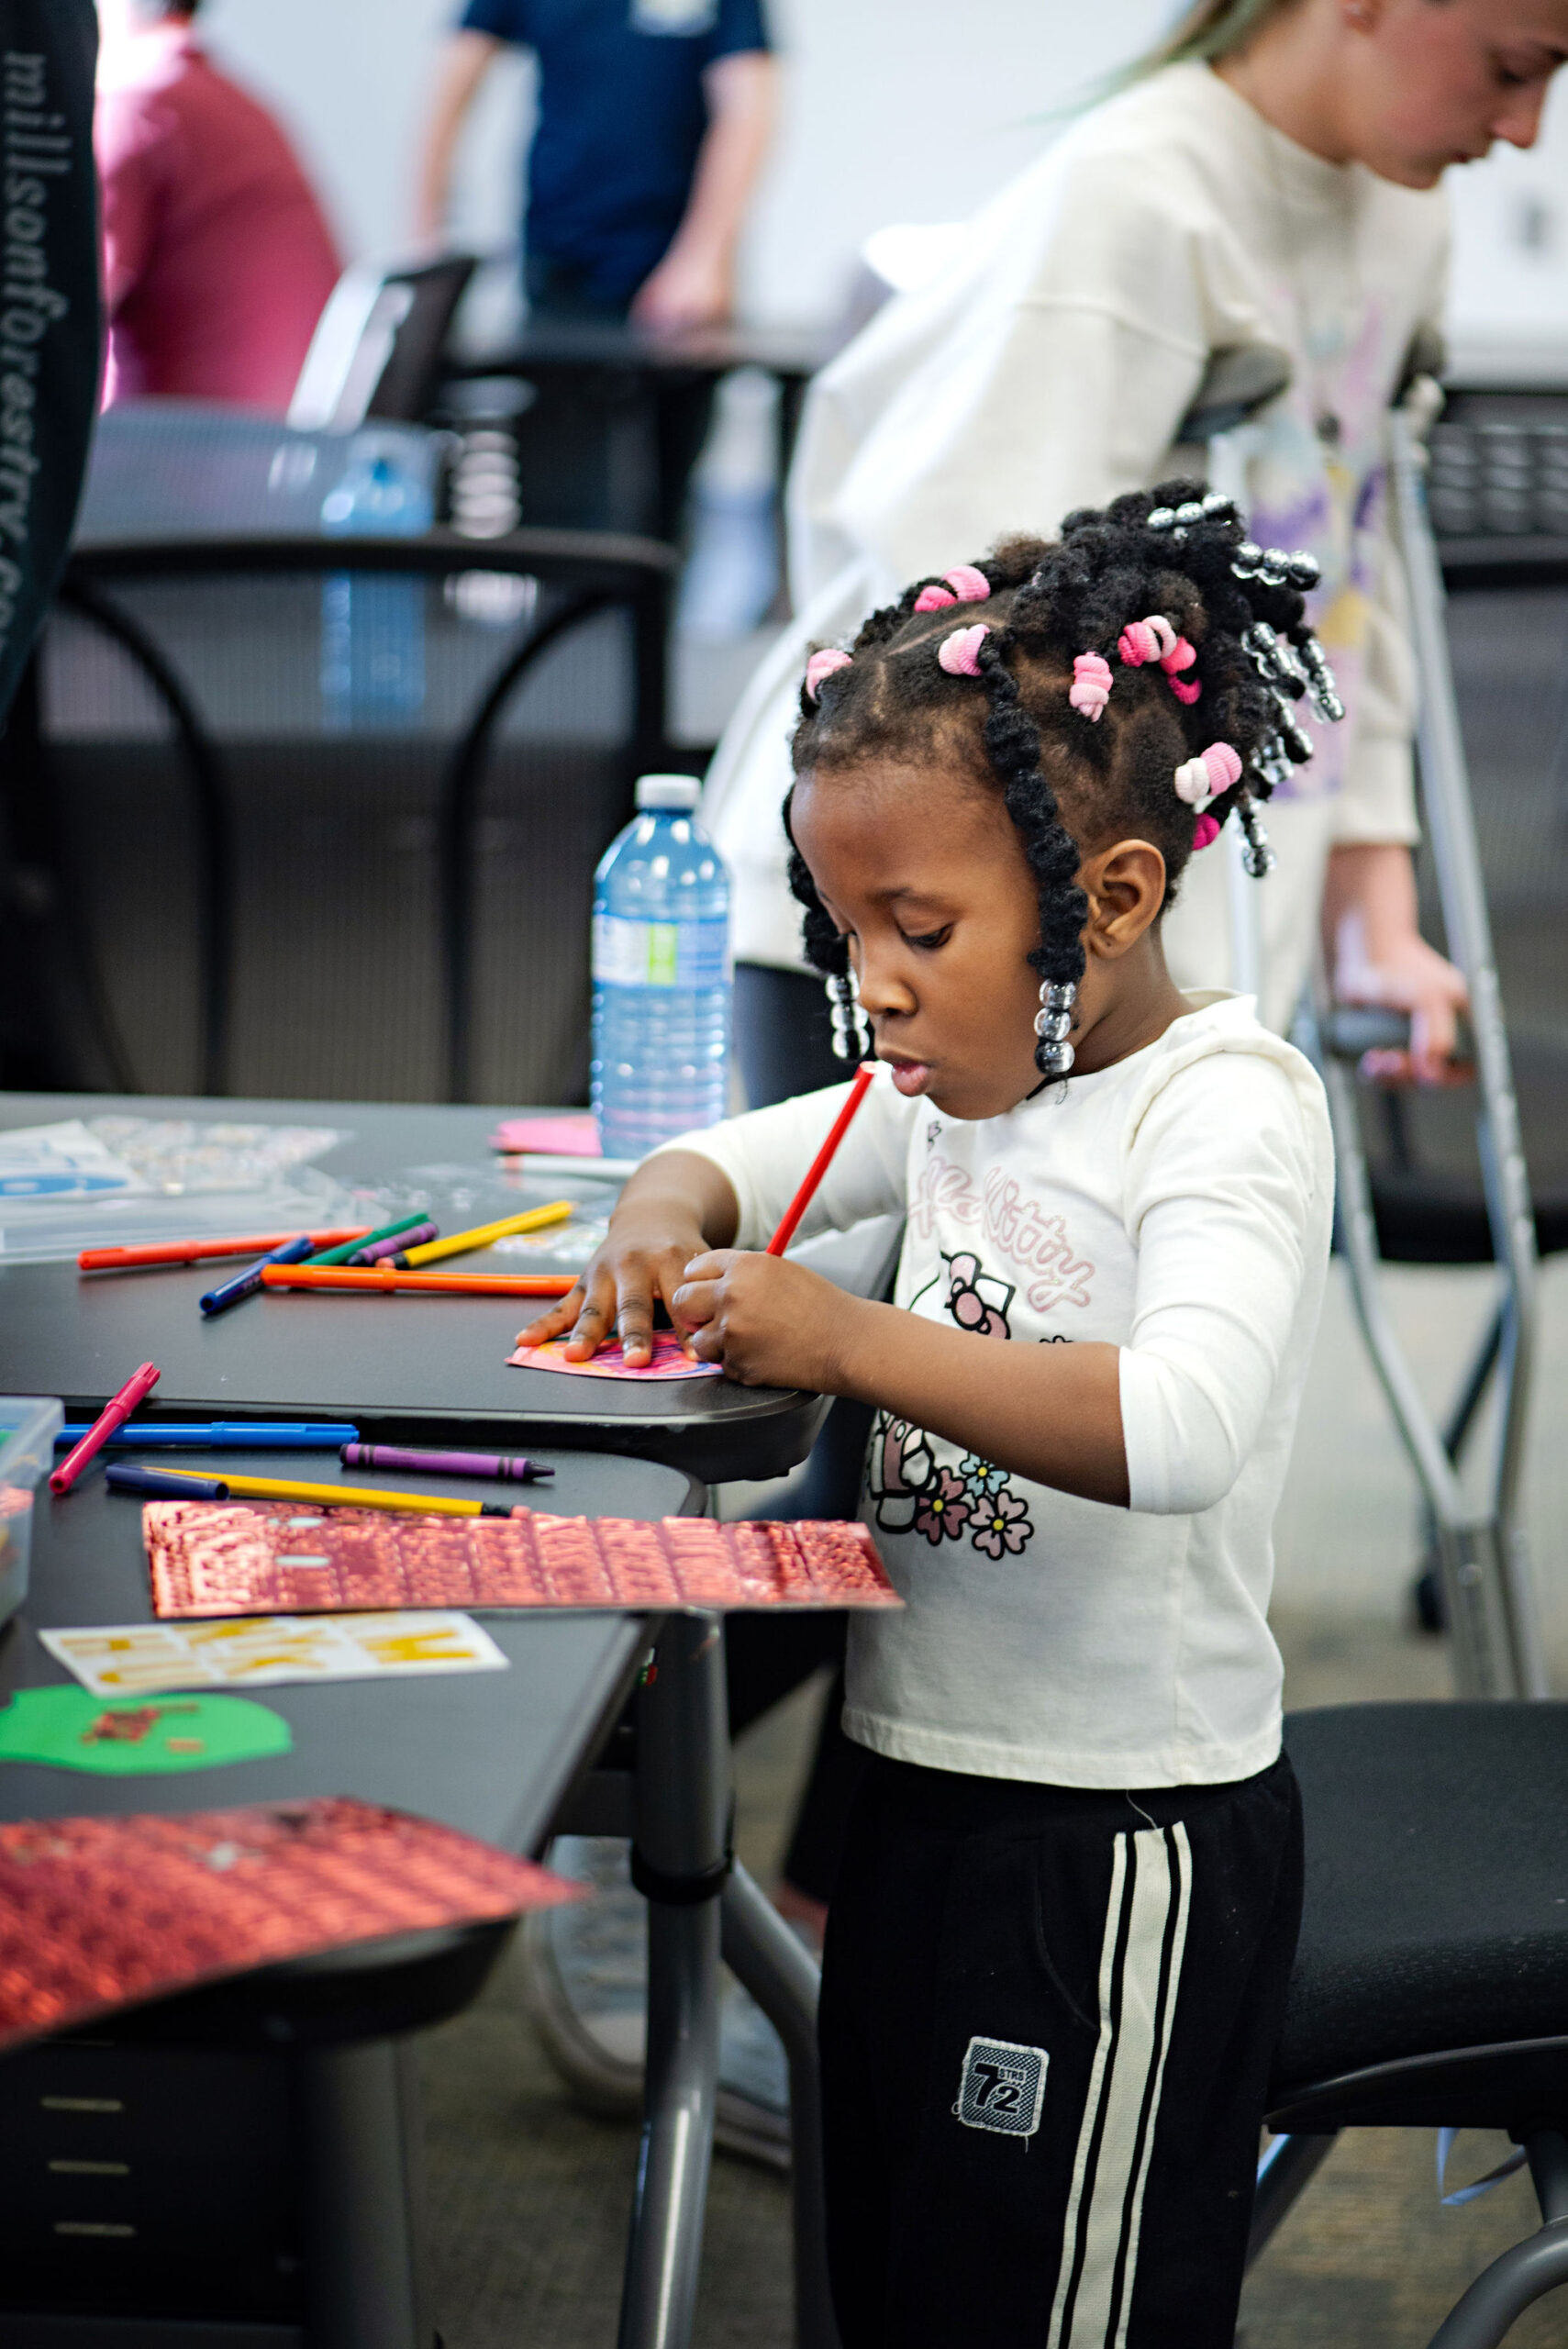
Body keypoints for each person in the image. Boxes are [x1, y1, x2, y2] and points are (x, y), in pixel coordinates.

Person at [520, 488, 1337, 2344]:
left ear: (1108, 899)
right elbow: (709, 1165)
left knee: (1047, 2301)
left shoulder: (1218, 1108)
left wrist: (844, 1338)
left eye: (916, 926)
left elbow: (1178, 1425)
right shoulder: (958, 1082)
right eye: (841, 928)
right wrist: (654, 1221)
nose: (868, 985)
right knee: (903, 2263)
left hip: (1114, 1828)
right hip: (922, 1775)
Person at [707, 0, 1568, 1103]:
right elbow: (953, 596)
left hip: (1167, 937)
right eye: (1511, 66)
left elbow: (1347, 573)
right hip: (927, 937)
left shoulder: (1404, 220)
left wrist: (1372, 908)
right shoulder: (1137, 194)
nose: (1524, 129)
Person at [417, 0, 775, 332]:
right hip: (558, 248)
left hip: (672, 253)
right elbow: (450, 93)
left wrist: (702, 258)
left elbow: (746, 114)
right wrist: (428, 238)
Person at [94, 0, 341, 409]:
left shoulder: (138, 104)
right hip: (286, 428)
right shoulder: (225, 97)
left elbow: (54, 305)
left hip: (192, 437)